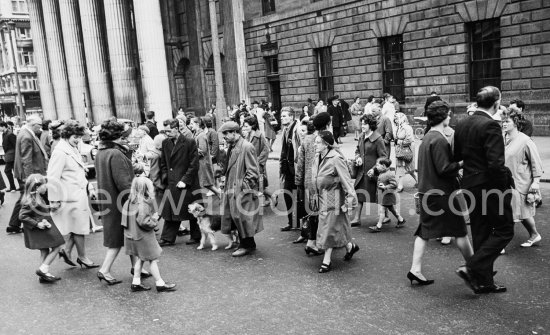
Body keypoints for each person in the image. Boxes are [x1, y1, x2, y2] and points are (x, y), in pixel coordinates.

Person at [454, 86, 514, 294]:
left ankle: (484, 281)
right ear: (497, 103)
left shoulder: (462, 124)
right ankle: (472, 267)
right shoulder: (491, 125)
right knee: (505, 229)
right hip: (489, 187)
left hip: (470, 185)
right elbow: (496, 164)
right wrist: (502, 190)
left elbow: (456, 155)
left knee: (480, 231)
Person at [409, 102, 473, 285]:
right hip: (442, 194)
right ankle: (476, 269)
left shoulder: (428, 137)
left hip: (426, 192)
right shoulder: (439, 139)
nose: (450, 117)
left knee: (424, 232)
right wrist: (462, 163)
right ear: (444, 117)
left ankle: (415, 269)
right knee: (460, 231)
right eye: (449, 115)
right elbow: (445, 169)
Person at [47, 120, 99, 269]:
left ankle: (67, 250)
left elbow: (78, 173)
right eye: (75, 137)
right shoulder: (60, 152)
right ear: (67, 135)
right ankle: (83, 257)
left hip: (77, 195)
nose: (78, 140)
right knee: (79, 228)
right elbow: (52, 177)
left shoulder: (71, 148)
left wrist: (90, 188)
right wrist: (54, 199)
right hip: (69, 197)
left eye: (79, 137)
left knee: (78, 227)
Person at [95, 120, 138, 285]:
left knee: (129, 235)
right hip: (121, 203)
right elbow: (124, 183)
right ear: (116, 137)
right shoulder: (116, 154)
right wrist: (136, 203)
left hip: (109, 200)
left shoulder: (102, 152)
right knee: (118, 239)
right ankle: (104, 270)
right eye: (122, 136)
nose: (125, 138)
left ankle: (136, 267)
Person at [312, 131, 359, 273]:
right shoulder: (317, 157)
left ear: (326, 144)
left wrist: (350, 202)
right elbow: (315, 179)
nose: (315, 144)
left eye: (318, 142)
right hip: (321, 198)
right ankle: (350, 246)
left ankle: (327, 260)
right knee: (338, 226)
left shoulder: (336, 158)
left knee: (329, 229)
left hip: (334, 198)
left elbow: (347, 182)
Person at [123, 176, 176, 292]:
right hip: (143, 236)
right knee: (153, 259)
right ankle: (160, 283)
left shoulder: (129, 201)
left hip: (132, 235)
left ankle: (136, 282)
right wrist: (154, 220)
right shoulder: (144, 203)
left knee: (141, 259)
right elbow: (143, 221)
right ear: (147, 189)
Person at [218, 121, 263, 257]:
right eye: (223, 134)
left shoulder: (246, 147)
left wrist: (243, 188)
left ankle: (246, 245)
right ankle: (247, 243)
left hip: (241, 190)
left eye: (226, 133)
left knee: (243, 218)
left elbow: (253, 172)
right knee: (237, 218)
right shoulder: (233, 146)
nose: (224, 136)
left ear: (235, 132)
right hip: (233, 188)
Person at [502, 111, 543, 247]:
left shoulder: (525, 141)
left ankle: (501, 242)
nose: (504, 124)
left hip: (521, 182)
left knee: (518, 213)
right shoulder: (502, 138)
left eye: (507, 121)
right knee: (518, 213)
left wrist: (536, 182)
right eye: (503, 121)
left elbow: (536, 163)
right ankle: (534, 234)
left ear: (516, 123)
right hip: (504, 182)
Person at [158, 119, 201, 246]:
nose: (167, 134)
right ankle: (167, 238)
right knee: (172, 210)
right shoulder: (166, 142)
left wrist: (185, 180)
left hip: (188, 182)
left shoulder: (189, 142)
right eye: (165, 131)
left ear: (177, 128)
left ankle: (196, 236)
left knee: (194, 209)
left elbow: (194, 164)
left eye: (169, 131)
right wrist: (165, 176)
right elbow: (163, 162)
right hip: (172, 181)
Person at [19, 174, 65, 283]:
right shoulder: (32, 200)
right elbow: (22, 216)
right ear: (36, 188)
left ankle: (43, 276)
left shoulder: (36, 197)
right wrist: (36, 224)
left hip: (41, 228)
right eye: (44, 185)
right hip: (41, 228)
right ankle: (43, 269)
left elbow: (38, 210)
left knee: (44, 250)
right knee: (57, 246)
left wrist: (50, 207)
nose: (46, 187)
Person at [8, 115, 48, 234]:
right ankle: (15, 223)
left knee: (25, 197)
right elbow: (26, 159)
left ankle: (14, 224)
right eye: (39, 125)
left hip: (30, 173)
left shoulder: (26, 133)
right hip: (29, 174)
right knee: (25, 197)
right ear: (32, 124)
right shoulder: (26, 135)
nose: (40, 128)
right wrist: (30, 178)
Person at [350, 114, 387, 227]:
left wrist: (375, 169)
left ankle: (386, 216)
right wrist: (358, 158)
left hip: (374, 173)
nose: (362, 126)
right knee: (360, 193)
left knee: (380, 195)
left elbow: (383, 157)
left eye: (364, 124)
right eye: (361, 124)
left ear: (370, 125)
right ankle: (357, 218)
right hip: (362, 172)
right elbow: (357, 150)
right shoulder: (361, 136)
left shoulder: (378, 139)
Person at [367, 158, 406, 232]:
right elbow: (380, 180)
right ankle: (401, 220)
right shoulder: (382, 173)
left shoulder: (389, 174)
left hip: (388, 196)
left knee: (382, 210)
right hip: (384, 196)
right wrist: (372, 177)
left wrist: (385, 187)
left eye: (378, 165)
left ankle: (378, 226)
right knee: (392, 209)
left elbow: (394, 184)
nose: (376, 167)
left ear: (384, 166)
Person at [279, 107, 301, 231]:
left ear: (291, 117)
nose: (282, 118)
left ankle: (300, 223)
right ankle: (292, 222)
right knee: (287, 194)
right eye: (282, 116)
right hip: (287, 168)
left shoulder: (297, 129)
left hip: (296, 168)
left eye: (285, 116)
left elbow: (301, 146)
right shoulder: (285, 130)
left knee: (299, 196)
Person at [242, 116, 271, 205]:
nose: (244, 128)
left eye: (246, 126)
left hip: (258, 164)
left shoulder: (259, 135)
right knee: (256, 183)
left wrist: (258, 161)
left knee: (259, 183)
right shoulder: (247, 135)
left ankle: (261, 200)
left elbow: (266, 149)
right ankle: (270, 197)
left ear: (253, 125)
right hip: (250, 164)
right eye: (244, 126)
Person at [189, 117, 220, 197]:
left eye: (192, 123)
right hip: (200, 163)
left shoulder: (201, 135)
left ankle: (220, 195)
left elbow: (202, 151)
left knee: (207, 183)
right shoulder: (196, 134)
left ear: (197, 124)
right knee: (206, 183)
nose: (190, 125)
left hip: (203, 163)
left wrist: (192, 152)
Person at [394, 112, 418, 192]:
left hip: (406, 150)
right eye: (395, 118)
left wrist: (398, 142)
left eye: (397, 118)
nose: (395, 120)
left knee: (409, 168)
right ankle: (401, 185)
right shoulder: (399, 127)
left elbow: (409, 140)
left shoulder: (407, 128)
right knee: (403, 167)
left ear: (402, 118)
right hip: (401, 150)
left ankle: (401, 186)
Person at [1, 121, 17, 192]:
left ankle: (13, 187)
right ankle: (14, 186)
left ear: (3, 126)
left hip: (11, 155)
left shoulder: (10, 134)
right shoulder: (4, 134)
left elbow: (15, 145)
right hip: (8, 154)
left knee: (7, 170)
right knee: (14, 170)